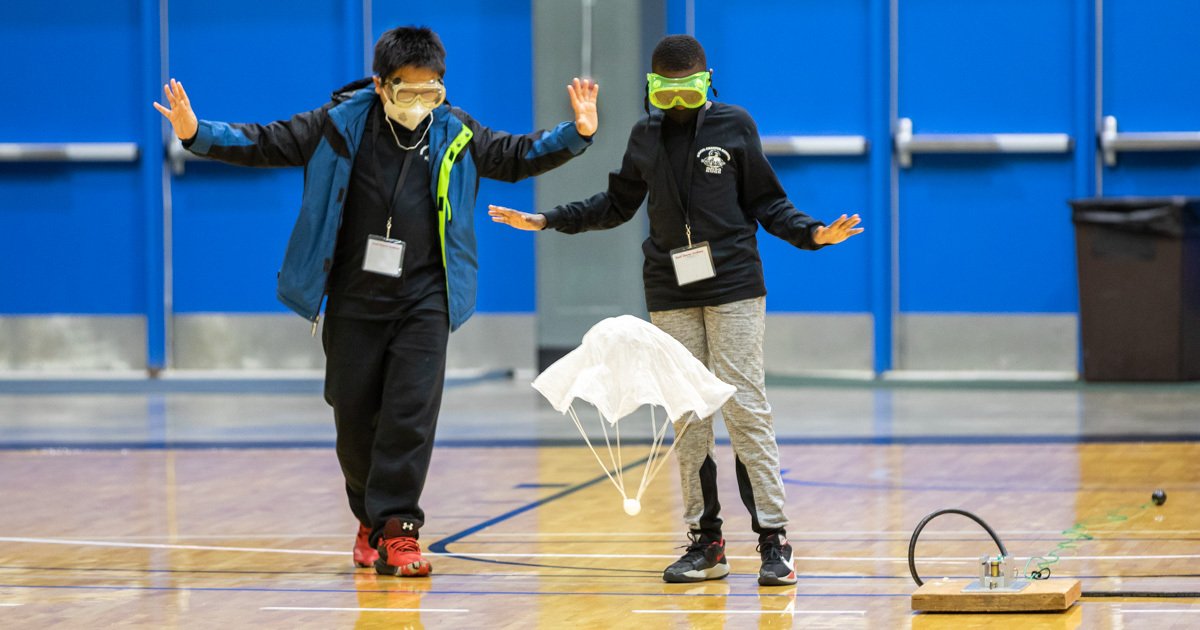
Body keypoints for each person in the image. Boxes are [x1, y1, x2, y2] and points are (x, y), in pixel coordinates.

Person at [153, 26, 599, 577]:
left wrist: (576, 133)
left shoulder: (455, 130)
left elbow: (514, 155)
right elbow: (266, 141)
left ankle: (400, 530)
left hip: (425, 298)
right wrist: (196, 133)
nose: (419, 103)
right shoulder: (337, 125)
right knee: (354, 417)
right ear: (380, 84)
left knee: (410, 415)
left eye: (430, 91)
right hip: (352, 299)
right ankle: (370, 516)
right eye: (406, 92)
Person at [488, 34, 861, 586]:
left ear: (706, 83)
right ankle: (705, 543)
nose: (679, 106)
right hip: (671, 288)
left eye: (689, 93)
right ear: (652, 91)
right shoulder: (644, 136)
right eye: (668, 95)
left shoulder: (735, 125)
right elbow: (615, 204)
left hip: (733, 283)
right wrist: (548, 220)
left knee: (743, 406)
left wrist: (811, 234)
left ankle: (773, 539)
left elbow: (767, 201)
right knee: (686, 413)